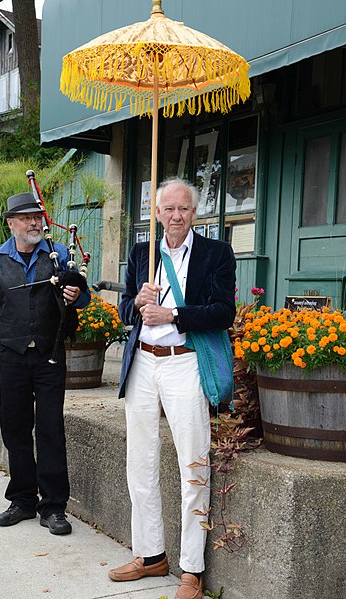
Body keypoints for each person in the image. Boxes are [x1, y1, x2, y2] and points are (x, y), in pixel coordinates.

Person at [108, 178, 236, 599]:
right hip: (143, 363)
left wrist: (175, 314)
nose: (176, 216)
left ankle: (191, 570)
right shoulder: (141, 253)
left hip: (184, 365)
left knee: (193, 465)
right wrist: (139, 303)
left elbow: (222, 312)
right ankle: (150, 555)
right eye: (169, 209)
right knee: (139, 463)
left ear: (193, 213)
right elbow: (126, 310)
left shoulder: (216, 253)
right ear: (157, 213)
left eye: (184, 209)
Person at [0, 192, 90, 535]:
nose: (35, 223)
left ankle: (53, 507)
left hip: (50, 354)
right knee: (14, 428)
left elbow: (83, 295)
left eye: (38, 217)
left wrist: (75, 295)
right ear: (11, 224)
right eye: (26, 218)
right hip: (11, 354)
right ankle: (22, 499)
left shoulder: (58, 254)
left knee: (51, 429)